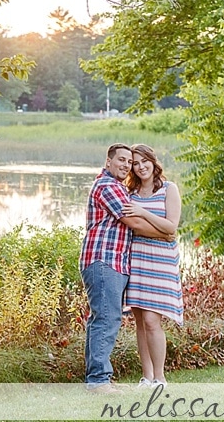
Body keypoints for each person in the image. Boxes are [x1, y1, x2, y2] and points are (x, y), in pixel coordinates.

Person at [79, 143, 171, 391]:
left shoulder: (119, 187)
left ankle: (95, 379)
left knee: (101, 319)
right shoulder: (108, 186)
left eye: (129, 162)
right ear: (108, 162)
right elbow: (135, 224)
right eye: (121, 160)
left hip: (113, 262)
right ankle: (98, 380)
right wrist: (166, 235)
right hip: (104, 260)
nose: (126, 165)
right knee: (107, 319)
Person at [122, 143, 183, 388]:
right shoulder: (130, 194)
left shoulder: (169, 189)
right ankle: (146, 377)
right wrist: (153, 225)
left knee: (151, 320)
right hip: (137, 260)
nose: (140, 166)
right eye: (135, 164)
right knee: (139, 321)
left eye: (143, 161)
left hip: (161, 263)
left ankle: (160, 377)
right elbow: (135, 227)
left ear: (152, 161)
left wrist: (143, 212)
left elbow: (171, 227)